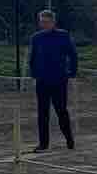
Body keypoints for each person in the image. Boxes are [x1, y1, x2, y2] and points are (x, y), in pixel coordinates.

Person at [28, 9, 77, 152]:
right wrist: (34, 75)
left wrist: (72, 73)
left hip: (59, 80)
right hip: (42, 80)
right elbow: (33, 58)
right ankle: (43, 144)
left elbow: (73, 55)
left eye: (46, 22)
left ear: (53, 22)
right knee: (42, 113)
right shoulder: (36, 38)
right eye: (41, 22)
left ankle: (69, 139)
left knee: (61, 111)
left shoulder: (63, 35)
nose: (43, 24)